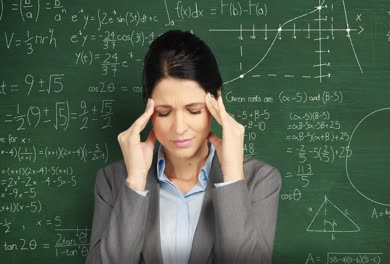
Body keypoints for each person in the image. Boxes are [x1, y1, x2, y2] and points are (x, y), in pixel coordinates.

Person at [85, 30, 282, 264]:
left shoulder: (259, 180)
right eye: (164, 112)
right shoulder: (112, 181)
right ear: (148, 109)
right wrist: (135, 183)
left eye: (194, 110)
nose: (179, 128)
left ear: (217, 101)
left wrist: (232, 178)